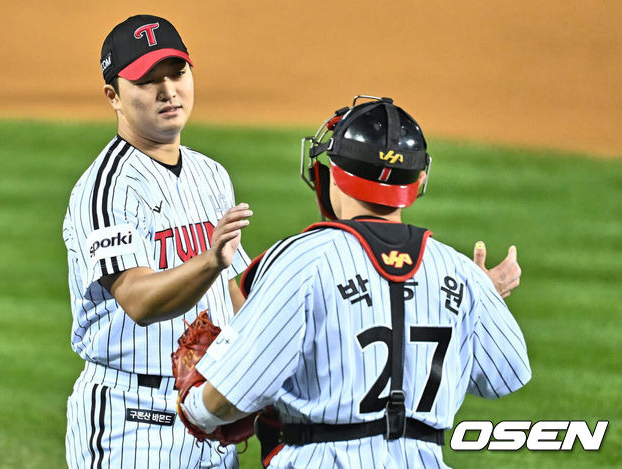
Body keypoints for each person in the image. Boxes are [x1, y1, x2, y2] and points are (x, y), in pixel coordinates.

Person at [179, 96, 531, 468]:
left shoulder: (302, 260)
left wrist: (194, 409)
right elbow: (505, 375)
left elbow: (227, 398)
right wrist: (480, 295)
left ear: (331, 172)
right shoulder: (461, 273)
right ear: (418, 180)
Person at [62, 14, 252, 468]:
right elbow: (137, 299)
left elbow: (235, 288)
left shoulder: (211, 174)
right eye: (149, 80)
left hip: (209, 410)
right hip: (132, 422)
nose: (168, 91)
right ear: (114, 96)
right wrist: (209, 261)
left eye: (177, 73)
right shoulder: (107, 188)